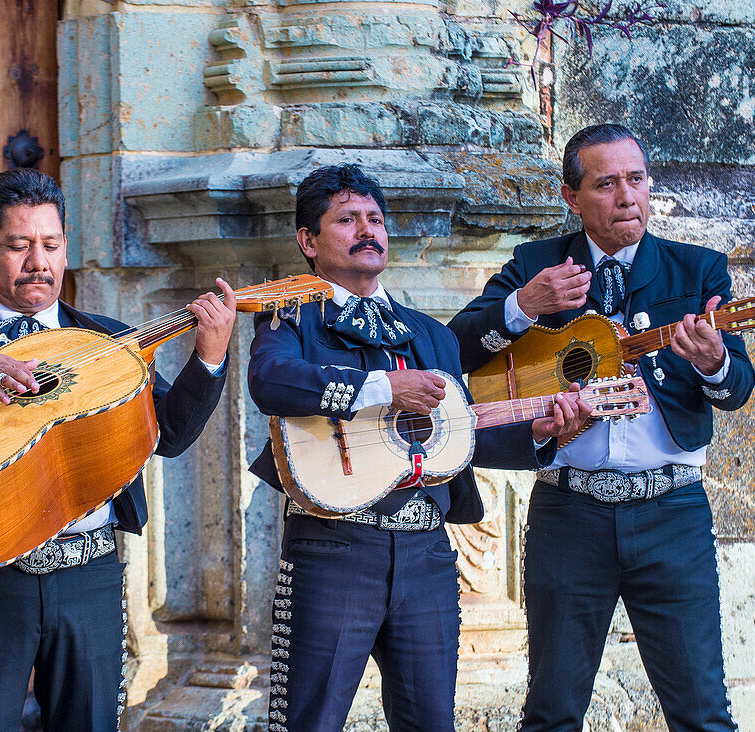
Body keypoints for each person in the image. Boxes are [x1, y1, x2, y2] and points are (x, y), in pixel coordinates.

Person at [0, 168, 236, 731]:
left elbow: (171, 436)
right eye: (19, 245)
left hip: (90, 573)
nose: (39, 262)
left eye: (51, 245)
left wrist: (210, 355)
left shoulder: (105, 341)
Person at [246, 164, 589, 731]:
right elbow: (270, 381)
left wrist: (538, 434)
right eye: (347, 219)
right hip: (332, 551)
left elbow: (458, 436)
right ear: (308, 241)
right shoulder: (291, 316)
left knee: (432, 723)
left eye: (375, 219)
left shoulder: (428, 334)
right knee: (308, 722)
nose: (367, 230)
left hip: (426, 555)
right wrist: (384, 388)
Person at [448, 124, 755, 731]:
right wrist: (523, 307)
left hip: (672, 512)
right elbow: (456, 352)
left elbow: (736, 387)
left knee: (703, 713)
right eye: (606, 183)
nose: (627, 197)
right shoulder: (536, 265)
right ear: (572, 196)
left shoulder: (696, 271)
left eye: (636, 180)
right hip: (570, 516)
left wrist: (712, 361)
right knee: (552, 712)